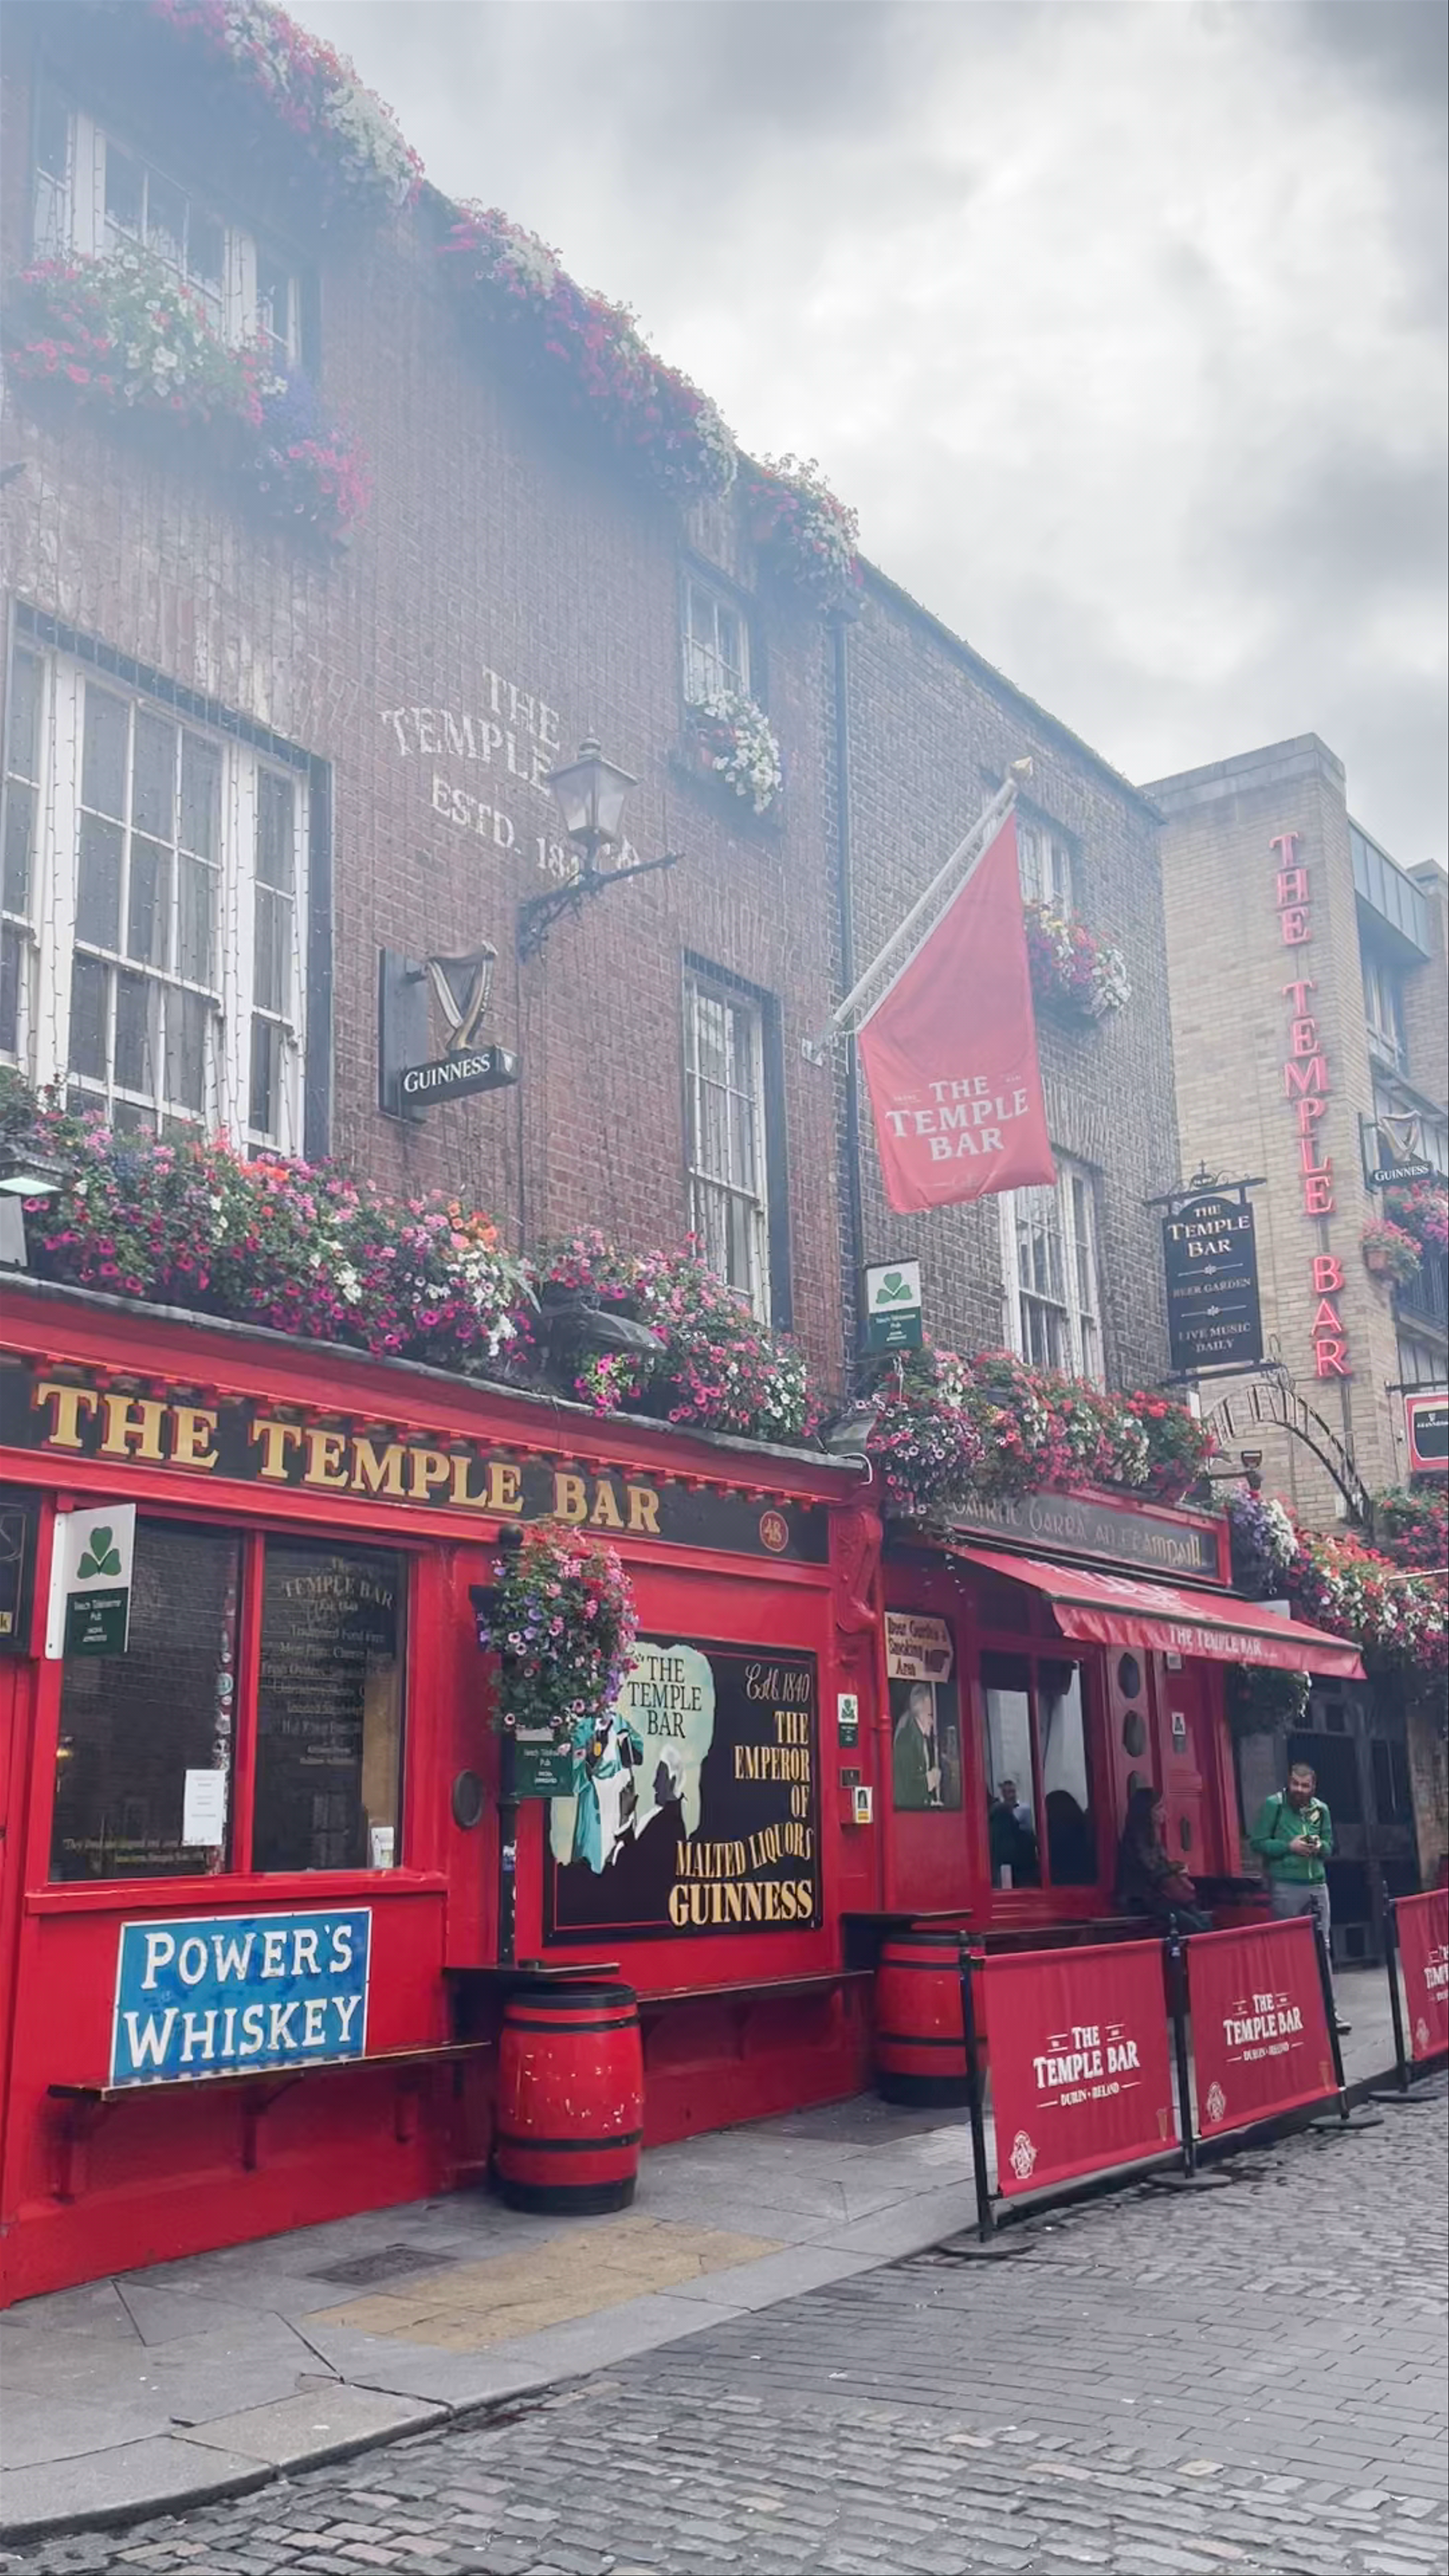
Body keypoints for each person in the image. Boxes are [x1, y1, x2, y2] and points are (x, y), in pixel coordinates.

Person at [1249, 1759, 1350, 2033]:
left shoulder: (1322, 1810)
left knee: (1323, 1947)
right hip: (1285, 1885)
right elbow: (1257, 1843)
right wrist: (1289, 1846)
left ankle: (1330, 2011)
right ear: (1288, 1781)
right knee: (1286, 1948)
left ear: (1313, 1786)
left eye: (1305, 1785)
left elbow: (1330, 1847)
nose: (1300, 1790)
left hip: (1318, 1885)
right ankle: (1289, 2011)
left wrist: (1319, 1846)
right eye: (1295, 1783)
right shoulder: (1275, 1805)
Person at [1114, 1784, 1212, 1933]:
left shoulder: (1153, 1838)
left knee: (1203, 1920)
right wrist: (1175, 1870)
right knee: (1192, 1925)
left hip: (1161, 1896)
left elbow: (1161, 1867)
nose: (1164, 1813)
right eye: (1159, 1809)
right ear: (1147, 1812)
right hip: (1140, 1899)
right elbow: (1152, 1872)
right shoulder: (1135, 1840)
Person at [892, 1682, 942, 1809]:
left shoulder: (920, 1738)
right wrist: (929, 1781)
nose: (933, 1722)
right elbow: (904, 1790)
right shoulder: (907, 1740)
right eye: (930, 1716)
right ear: (919, 1712)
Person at [988, 1778, 1039, 1885]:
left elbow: (1028, 1830)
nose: (1010, 1796)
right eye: (1006, 1792)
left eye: (1012, 1792)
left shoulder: (1024, 1809)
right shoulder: (999, 1812)